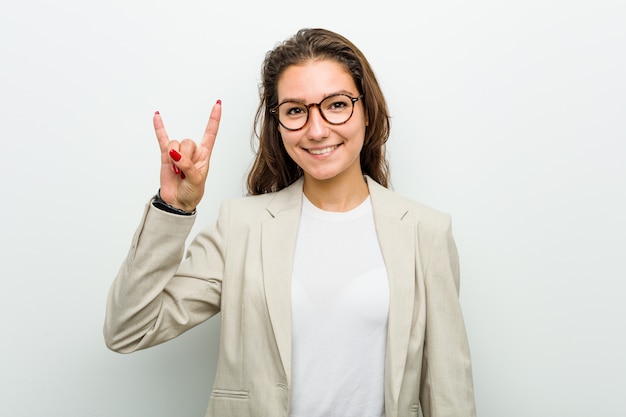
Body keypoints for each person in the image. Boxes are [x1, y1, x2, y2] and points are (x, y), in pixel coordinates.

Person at [104, 28, 476, 417]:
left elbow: (449, 392)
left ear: (367, 111)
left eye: (336, 104)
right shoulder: (241, 227)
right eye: (295, 110)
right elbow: (129, 328)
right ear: (278, 125)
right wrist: (173, 208)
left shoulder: (425, 231)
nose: (316, 130)